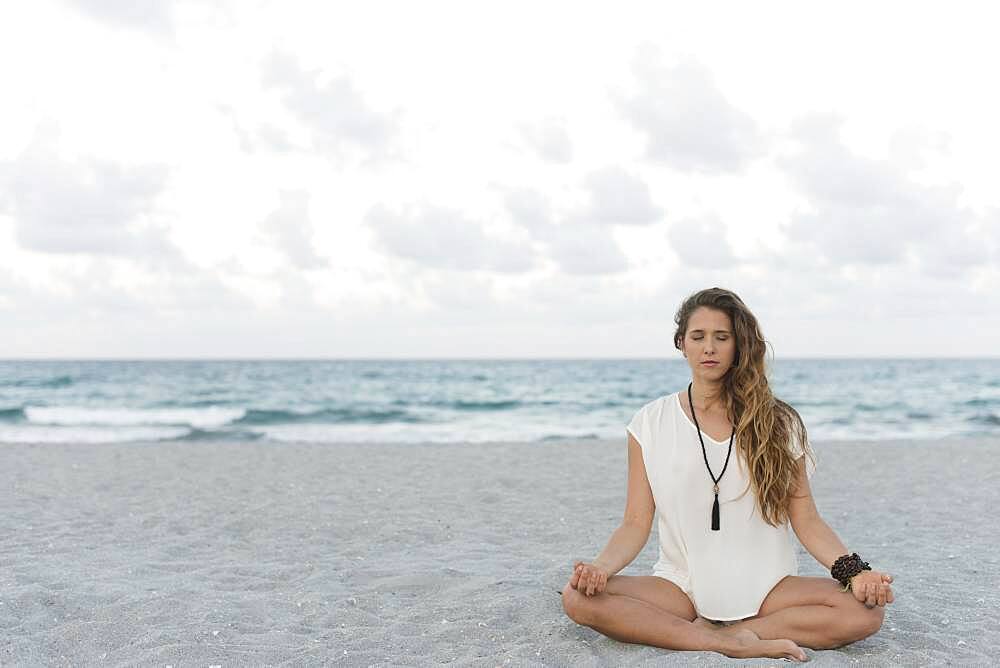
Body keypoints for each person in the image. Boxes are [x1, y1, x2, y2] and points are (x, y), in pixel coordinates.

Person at [561, 287, 895, 662]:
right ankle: (720, 642)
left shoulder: (779, 422)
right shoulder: (650, 422)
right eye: (698, 337)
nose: (709, 348)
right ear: (681, 343)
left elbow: (807, 518)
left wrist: (857, 573)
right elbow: (635, 521)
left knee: (864, 612)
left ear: (739, 345)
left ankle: (738, 633)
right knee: (578, 598)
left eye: (722, 337)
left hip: (770, 589)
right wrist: (600, 569)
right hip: (681, 589)